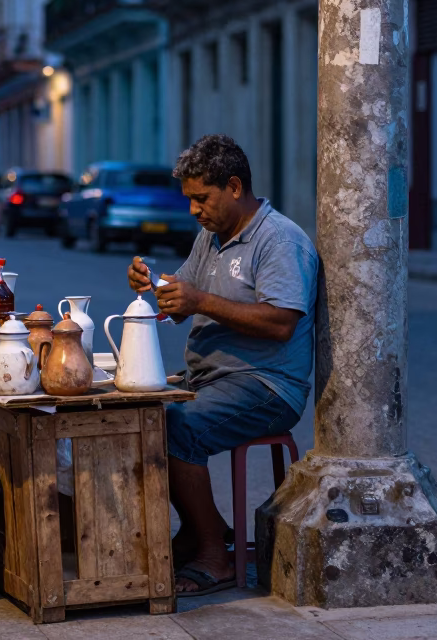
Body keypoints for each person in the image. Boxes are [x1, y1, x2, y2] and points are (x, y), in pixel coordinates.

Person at [126, 134, 318, 596]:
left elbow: (280, 323)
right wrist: (157, 286)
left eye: (201, 198)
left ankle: (215, 552)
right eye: (189, 199)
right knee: (139, 415)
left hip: (267, 385)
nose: (194, 210)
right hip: (210, 378)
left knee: (177, 428)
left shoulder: (279, 239)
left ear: (234, 187)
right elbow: (183, 299)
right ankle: (201, 529)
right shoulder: (210, 238)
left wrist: (199, 300)